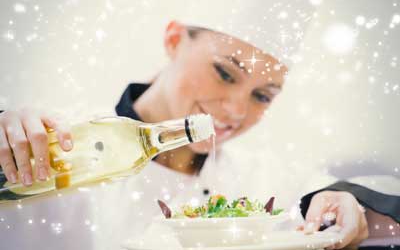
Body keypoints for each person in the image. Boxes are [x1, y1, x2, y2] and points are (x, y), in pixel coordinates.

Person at [0, 21, 398, 249]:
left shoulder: (263, 178)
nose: (236, 110)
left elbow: (372, 196)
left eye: (262, 96)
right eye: (225, 73)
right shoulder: (56, 150)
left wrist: (349, 203)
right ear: (174, 39)